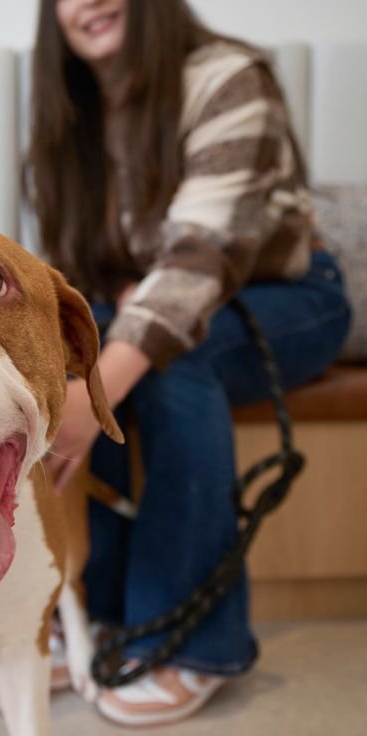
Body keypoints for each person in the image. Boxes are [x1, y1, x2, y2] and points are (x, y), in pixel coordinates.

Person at [29, 0, 351, 727]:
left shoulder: (227, 75)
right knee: (81, 357)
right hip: (155, 298)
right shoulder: (71, 114)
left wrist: (95, 399)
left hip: (288, 297)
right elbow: (79, 272)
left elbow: (200, 262)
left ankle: (193, 642)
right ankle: (102, 612)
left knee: (170, 360)